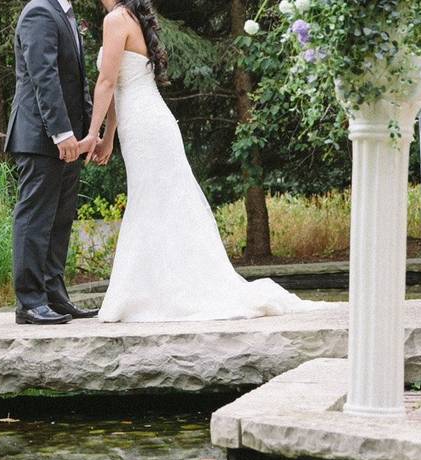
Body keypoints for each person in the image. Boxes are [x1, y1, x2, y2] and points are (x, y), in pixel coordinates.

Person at [79, 0, 326, 322]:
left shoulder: (116, 18)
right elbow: (116, 87)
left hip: (145, 125)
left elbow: (107, 83)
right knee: (156, 202)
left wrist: (90, 134)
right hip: (143, 123)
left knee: (154, 202)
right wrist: (107, 136)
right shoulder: (129, 17)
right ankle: (154, 289)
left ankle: (161, 293)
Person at [5, 0, 100, 325]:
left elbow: (77, 81)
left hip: (70, 137)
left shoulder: (67, 15)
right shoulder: (39, 11)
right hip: (41, 136)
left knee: (60, 218)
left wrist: (89, 132)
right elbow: (43, 76)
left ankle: (53, 295)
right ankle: (29, 302)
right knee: (35, 218)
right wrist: (61, 133)